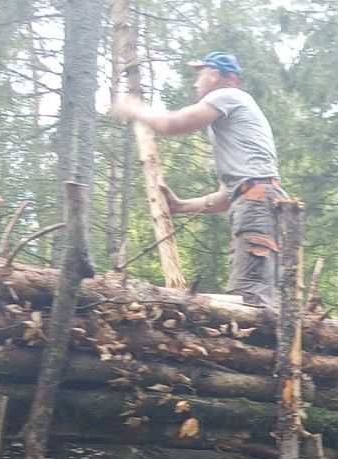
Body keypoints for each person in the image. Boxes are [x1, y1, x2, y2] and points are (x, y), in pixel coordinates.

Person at [112, 50, 284, 308]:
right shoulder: (234, 123)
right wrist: (180, 206)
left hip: (257, 206)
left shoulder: (228, 96)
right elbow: (227, 197)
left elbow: (172, 124)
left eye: (200, 74)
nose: (196, 81)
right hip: (258, 203)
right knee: (256, 297)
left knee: (251, 302)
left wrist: (135, 108)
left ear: (215, 76)